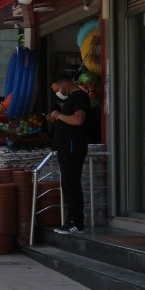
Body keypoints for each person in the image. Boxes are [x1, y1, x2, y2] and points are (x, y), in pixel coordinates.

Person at [48, 77, 90, 234]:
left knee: (71, 182)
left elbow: (78, 120)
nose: (58, 93)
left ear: (64, 83)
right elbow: (68, 119)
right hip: (65, 147)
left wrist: (59, 116)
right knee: (67, 183)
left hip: (72, 146)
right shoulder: (72, 99)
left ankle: (76, 221)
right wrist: (57, 117)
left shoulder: (79, 97)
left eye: (57, 89)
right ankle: (71, 219)